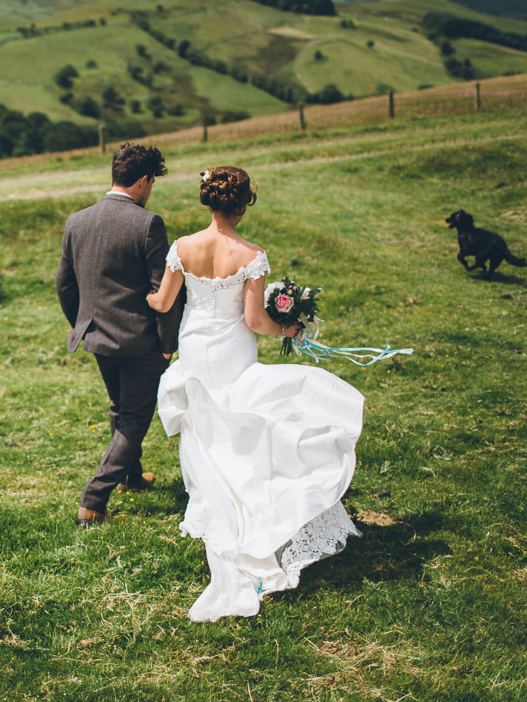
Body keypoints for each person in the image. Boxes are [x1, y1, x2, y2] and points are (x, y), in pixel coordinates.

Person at [146, 166, 364, 621]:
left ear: (209, 202)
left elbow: (164, 303)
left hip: (195, 349)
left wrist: (144, 298)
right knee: (240, 423)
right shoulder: (251, 255)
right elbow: (253, 322)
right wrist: (286, 326)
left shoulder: (182, 247)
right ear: (242, 205)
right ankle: (254, 505)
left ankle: (218, 506)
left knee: (203, 429)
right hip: (231, 352)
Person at [56, 143, 183, 527]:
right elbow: (163, 293)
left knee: (119, 407)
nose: (151, 191)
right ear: (143, 181)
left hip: (95, 337)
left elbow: (65, 286)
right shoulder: (147, 223)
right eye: (152, 183)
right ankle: (94, 498)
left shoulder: (76, 221)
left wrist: (82, 323)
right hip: (138, 341)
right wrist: (166, 345)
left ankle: (132, 476)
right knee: (134, 417)